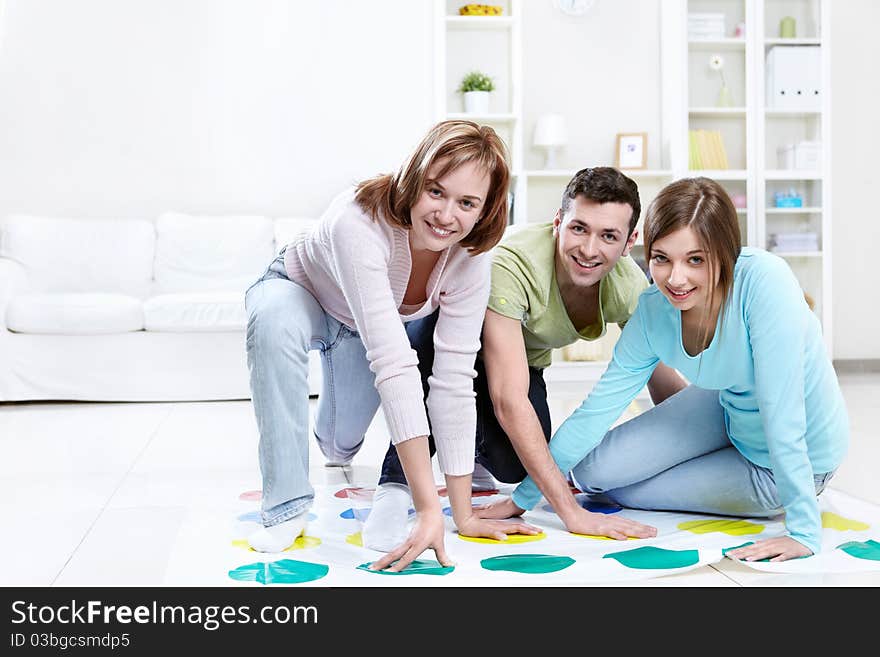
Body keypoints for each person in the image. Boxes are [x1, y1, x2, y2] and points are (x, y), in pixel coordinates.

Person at [500, 176, 849, 562]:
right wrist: (523, 498)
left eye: (695, 259)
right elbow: (596, 410)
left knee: (628, 493)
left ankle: (785, 495)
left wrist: (803, 531)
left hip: (781, 462)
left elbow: (784, 415)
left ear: (725, 254)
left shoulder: (765, 282)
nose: (676, 279)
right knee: (590, 474)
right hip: (726, 405)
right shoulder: (652, 307)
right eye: (662, 258)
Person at [244, 119, 539, 572]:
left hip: (357, 329)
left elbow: (454, 381)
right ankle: (285, 507)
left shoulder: (472, 261)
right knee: (273, 319)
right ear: (414, 176)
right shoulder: (358, 221)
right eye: (436, 191)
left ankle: (334, 423)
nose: (445, 214)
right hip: (299, 291)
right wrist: (425, 510)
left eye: (466, 203)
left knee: (340, 448)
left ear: (485, 211)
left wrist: (460, 515)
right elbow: (395, 364)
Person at [363, 166, 687, 550]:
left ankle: (470, 450)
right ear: (558, 221)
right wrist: (571, 512)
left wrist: (701, 432)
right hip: (444, 341)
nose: (588, 249)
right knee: (442, 381)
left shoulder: (627, 287)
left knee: (517, 466)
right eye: (578, 228)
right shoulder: (512, 263)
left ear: (630, 241)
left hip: (521, 360)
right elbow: (508, 399)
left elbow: (660, 374)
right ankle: (395, 486)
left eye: (608, 236)